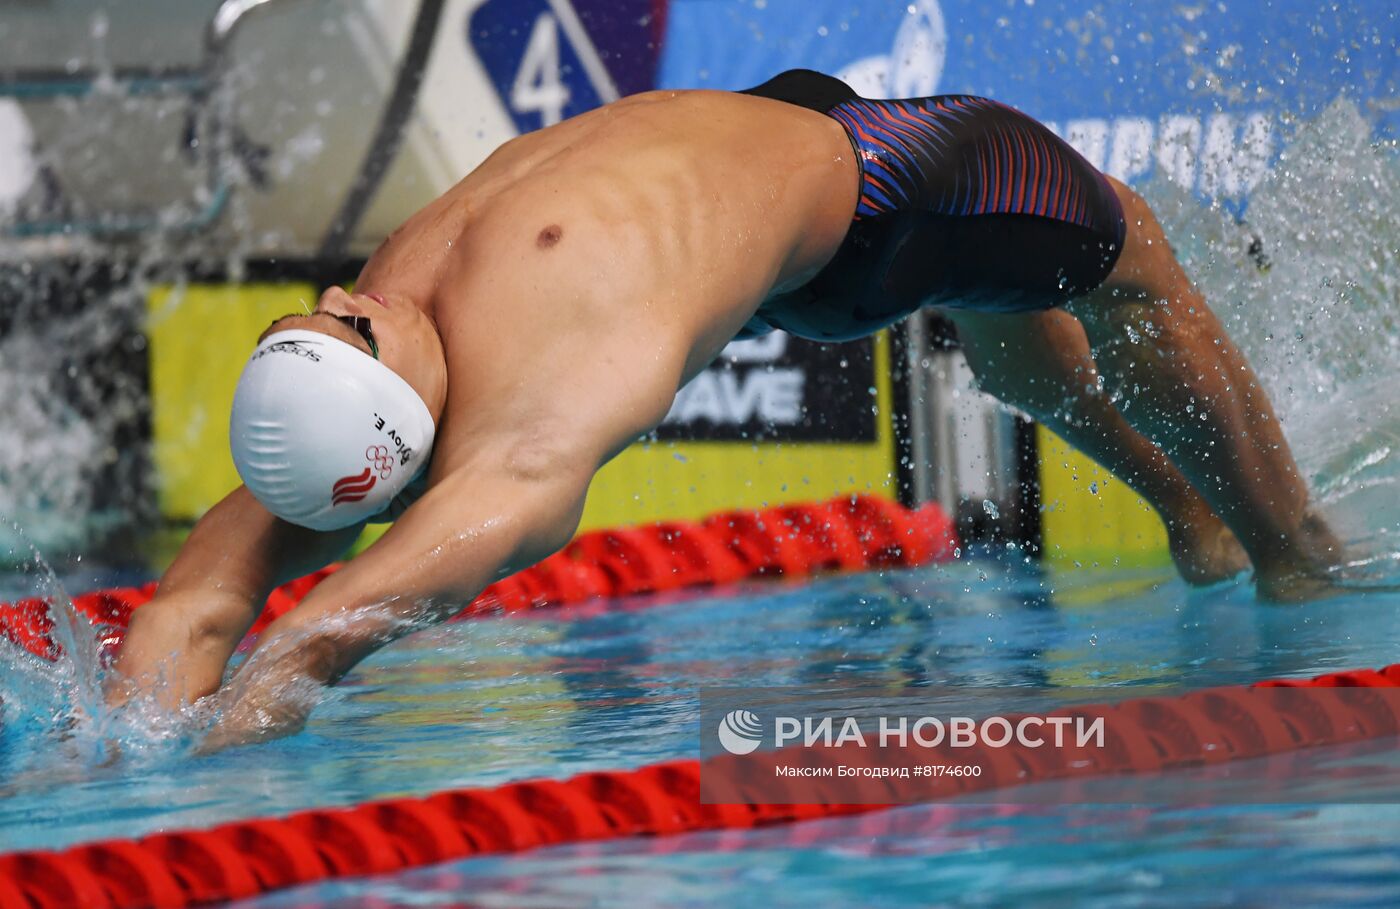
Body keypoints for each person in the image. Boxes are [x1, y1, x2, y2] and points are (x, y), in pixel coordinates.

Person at [111, 70, 1340, 749]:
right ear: (398, 425)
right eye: (357, 324)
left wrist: (114, 746)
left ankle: (1194, 516)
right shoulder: (527, 426)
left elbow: (195, 598)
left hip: (775, 132)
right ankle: (1296, 555)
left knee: (1018, 351)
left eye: (326, 317)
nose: (350, 294)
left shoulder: (394, 322)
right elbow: (308, 640)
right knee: (1144, 268)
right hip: (884, 194)